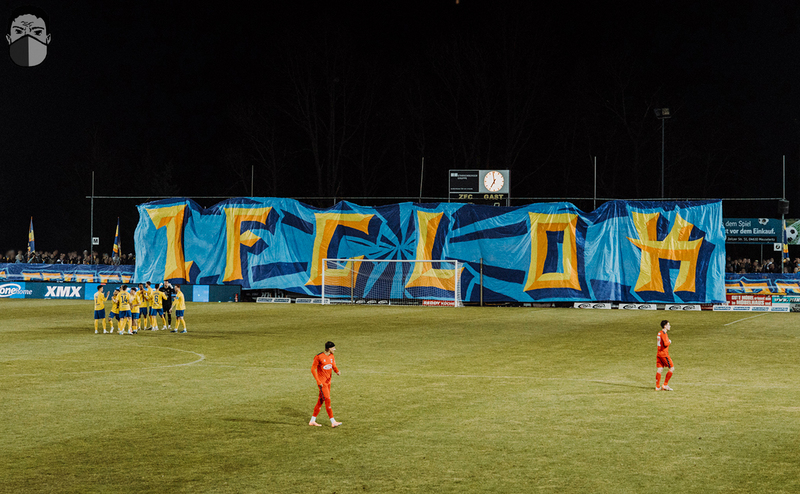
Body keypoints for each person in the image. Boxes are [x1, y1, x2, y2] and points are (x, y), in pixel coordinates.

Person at [309, 341, 342, 428]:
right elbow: (313, 369)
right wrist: (318, 381)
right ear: (329, 348)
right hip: (322, 383)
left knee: (320, 401)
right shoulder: (318, 357)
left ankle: (312, 421)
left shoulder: (331, 356)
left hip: (328, 382)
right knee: (327, 399)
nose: (335, 349)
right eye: (333, 348)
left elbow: (333, 365)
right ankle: (333, 421)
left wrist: (337, 371)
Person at [656, 320, 675, 391]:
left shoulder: (659, 333)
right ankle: (665, 385)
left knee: (660, 369)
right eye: (668, 325)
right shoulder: (664, 334)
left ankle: (657, 386)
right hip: (664, 354)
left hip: (658, 353)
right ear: (665, 326)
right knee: (672, 368)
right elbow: (666, 344)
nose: (670, 326)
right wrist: (670, 341)